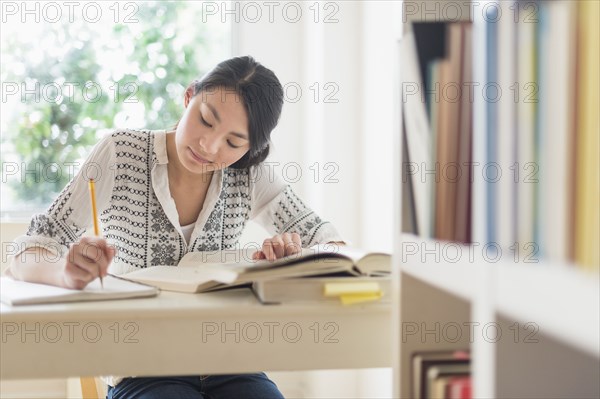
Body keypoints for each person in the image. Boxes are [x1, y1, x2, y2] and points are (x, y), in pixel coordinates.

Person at [7, 55, 345, 398]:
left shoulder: (249, 174)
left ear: (250, 149)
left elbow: (332, 245)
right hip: (143, 367)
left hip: (231, 362)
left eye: (233, 142)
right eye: (205, 119)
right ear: (188, 97)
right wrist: (66, 273)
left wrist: (294, 259)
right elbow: (28, 249)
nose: (208, 147)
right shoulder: (120, 153)